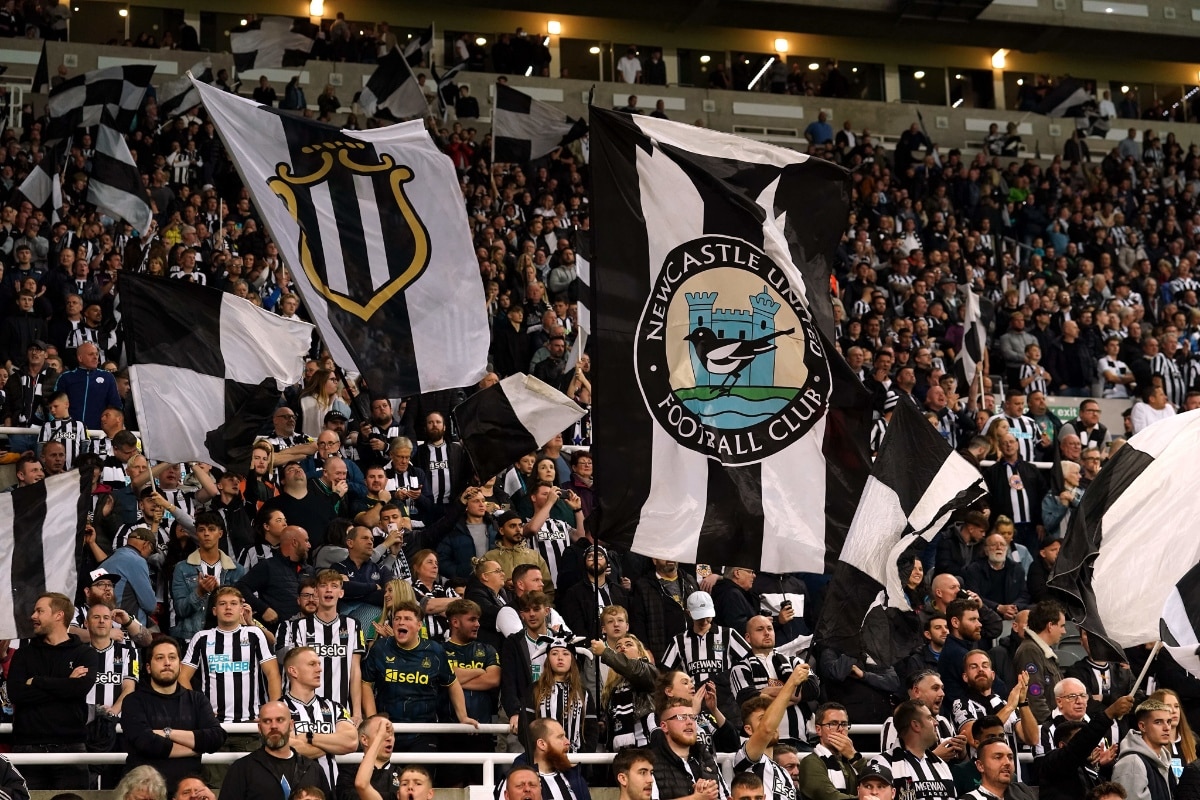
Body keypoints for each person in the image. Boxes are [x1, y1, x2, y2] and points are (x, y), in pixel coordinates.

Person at [361, 600, 478, 759]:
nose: (401, 622)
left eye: (407, 619)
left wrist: (463, 717)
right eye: (397, 618)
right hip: (387, 730)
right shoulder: (380, 648)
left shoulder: (435, 651)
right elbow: (366, 683)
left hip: (424, 731)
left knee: (419, 778)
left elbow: (452, 682)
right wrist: (373, 721)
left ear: (419, 625)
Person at [8, 592, 97, 790]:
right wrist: (65, 683)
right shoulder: (23, 655)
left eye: (40, 611)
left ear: (59, 615)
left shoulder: (85, 653)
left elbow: (79, 688)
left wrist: (37, 681)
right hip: (27, 748)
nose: (33, 616)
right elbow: (16, 693)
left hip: (71, 748)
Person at [121, 637, 227, 790]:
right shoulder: (133, 701)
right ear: (149, 667)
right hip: (145, 791)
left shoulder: (197, 700)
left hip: (188, 793)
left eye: (172, 657)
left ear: (179, 664)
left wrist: (167, 733)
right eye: (160, 658)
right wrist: (197, 748)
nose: (167, 662)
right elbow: (145, 742)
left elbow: (216, 737)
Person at [180, 587, 282, 736]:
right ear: (214, 610)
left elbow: (272, 673)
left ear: (241, 609)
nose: (228, 607)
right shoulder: (201, 637)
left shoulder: (254, 634)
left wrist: (272, 712)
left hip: (250, 722)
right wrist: (198, 709)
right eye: (222, 604)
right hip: (212, 724)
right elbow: (182, 676)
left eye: (234, 603)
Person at [277, 569, 365, 717]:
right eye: (323, 585)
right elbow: (293, 669)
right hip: (302, 710)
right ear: (316, 592)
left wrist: (357, 712)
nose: (329, 589)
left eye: (334, 586)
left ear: (341, 593)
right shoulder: (297, 626)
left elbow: (355, 670)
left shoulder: (353, 625)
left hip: (342, 710)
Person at [217, 700, 330, 800]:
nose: (274, 726)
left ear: (291, 725)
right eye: (267, 721)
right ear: (259, 728)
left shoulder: (313, 770)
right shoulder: (241, 769)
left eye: (280, 720)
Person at [280, 646, 358, 787]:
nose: (319, 669)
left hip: (330, 791)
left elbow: (351, 742)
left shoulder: (335, 707)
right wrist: (333, 745)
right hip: (295, 792)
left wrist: (309, 737)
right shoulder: (279, 708)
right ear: (293, 671)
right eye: (312, 664)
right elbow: (287, 749)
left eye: (319, 664)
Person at [1035, 694, 1134, 800]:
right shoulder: (1052, 762)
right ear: (1062, 745)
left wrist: (1103, 767)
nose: (1089, 745)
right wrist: (1108, 714)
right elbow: (1079, 746)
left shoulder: (1088, 769)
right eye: (1078, 738)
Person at [735, 667, 809, 800]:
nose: (773, 724)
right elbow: (766, 730)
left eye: (773, 718)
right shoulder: (745, 757)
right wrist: (791, 683)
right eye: (762, 719)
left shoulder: (784, 773)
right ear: (748, 730)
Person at [170, 512, 246, 642]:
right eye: (201, 530)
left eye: (211, 529)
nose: (206, 534)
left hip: (228, 638)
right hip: (191, 638)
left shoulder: (236, 569)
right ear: (196, 534)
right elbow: (180, 610)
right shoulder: (182, 568)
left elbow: (241, 607)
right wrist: (199, 593)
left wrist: (219, 592)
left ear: (220, 534)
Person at [872, 700, 956, 800]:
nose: (936, 723)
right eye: (929, 718)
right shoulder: (882, 764)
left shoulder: (941, 764)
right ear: (916, 725)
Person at [797, 702, 868, 800]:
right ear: (818, 730)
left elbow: (874, 781)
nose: (840, 729)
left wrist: (854, 756)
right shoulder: (810, 762)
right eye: (833, 724)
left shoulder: (851, 761)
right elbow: (830, 797)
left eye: (844, 724)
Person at [1012, 600, 1066, 724]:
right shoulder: (1030, 651)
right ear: (1050, 626)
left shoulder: (1041, 651)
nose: (1064, 631)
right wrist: (1051, 727)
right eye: (1062, 626)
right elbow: (1034, 699)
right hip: (1041, 731)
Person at [1112, 699, 1177, 800]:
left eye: (1168, 722)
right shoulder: (1132, 762)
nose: (1167, 728)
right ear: (1142, 726)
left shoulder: (1164, 760)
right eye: (1158, 722)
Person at [342, 716, 399, 800]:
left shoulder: (404, 775)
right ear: (365, 740)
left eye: (391, 733)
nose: (389, 738)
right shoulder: (348, 774)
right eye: (381, 732)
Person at [963, 738, 1035, 799]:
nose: (1007, 762)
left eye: (1010, 758)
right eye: (998, 757)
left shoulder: (1023, 791)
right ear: (981, 766)